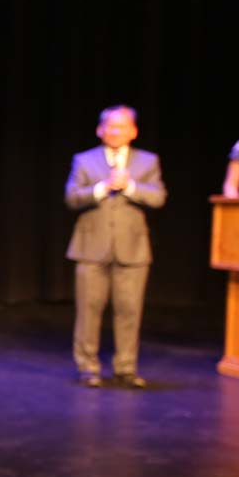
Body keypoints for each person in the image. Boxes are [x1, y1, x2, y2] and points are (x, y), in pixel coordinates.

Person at [65, 105, 167, 389]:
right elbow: (72, 197)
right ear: (100, 130)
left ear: (133, 131)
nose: (115, 131)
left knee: (129, 310)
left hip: (132, 249)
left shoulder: (147, 161)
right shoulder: (84, 160)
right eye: (110, 126)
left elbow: (158, 197)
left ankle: (125, 368)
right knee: (89, 309)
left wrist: (130, 186)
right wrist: (102, 187)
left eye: (122, 126)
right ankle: (88, 367)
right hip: (90, 247)